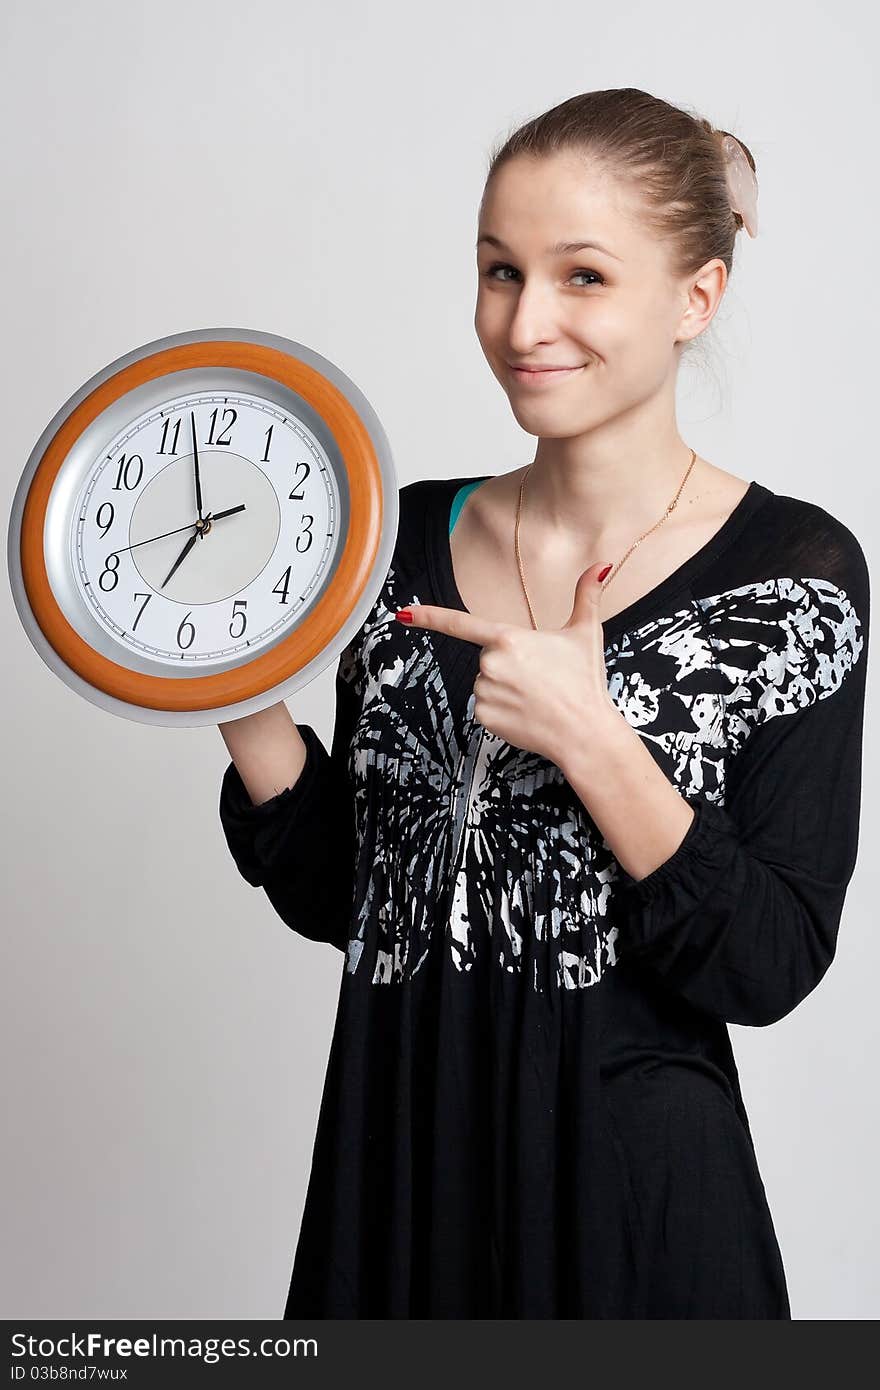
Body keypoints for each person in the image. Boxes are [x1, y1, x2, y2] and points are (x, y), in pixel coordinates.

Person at [216, 87, 869, 1318]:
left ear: (695, 299)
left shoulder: (795, 570)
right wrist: (236, 686)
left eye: (582, 277)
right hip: (392, 1185)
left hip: (633, 1218)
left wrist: (592, 734)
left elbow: (771, 961)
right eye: (498, 271)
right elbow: (348, 897)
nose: (526, 322)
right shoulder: (390, 537)